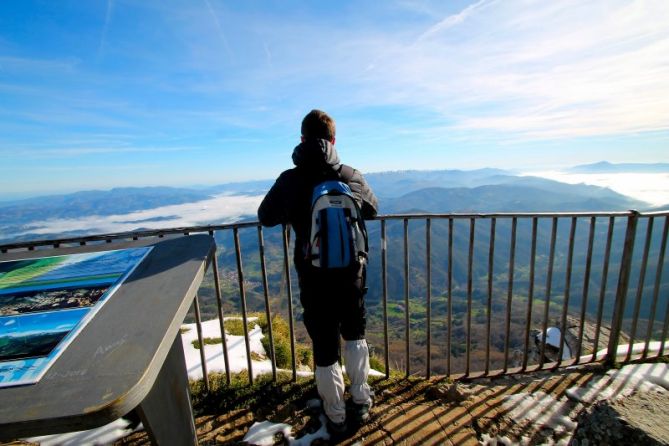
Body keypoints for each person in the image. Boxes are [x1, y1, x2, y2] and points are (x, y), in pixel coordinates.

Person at [258, 109, 378, 433]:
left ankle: (336, 415)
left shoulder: (291, 179)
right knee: (355, 335)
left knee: (325, 346)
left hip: (313, 278)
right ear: (333, 139)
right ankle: (361, 400)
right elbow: (373, 210)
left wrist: (294, 210)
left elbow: (265, 215)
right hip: (353, 273)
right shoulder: (350, 175)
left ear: (302, 139)